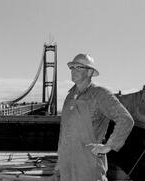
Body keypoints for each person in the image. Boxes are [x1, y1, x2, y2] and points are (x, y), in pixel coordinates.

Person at [54, 53, 134, 181]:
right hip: (67, 165)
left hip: (88, 165)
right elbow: (64, 131)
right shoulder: (69, 97)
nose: (73, 71)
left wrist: (109, 145)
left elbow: (125, 119)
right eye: (72, 67)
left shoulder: (100, 94)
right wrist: (59, 163)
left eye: (79, 67)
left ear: (90, 72)